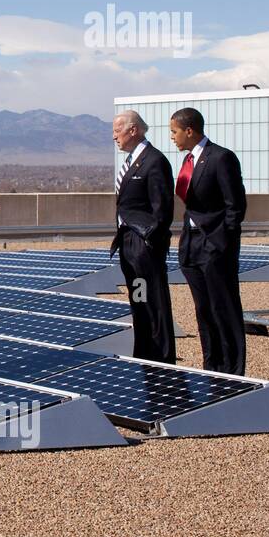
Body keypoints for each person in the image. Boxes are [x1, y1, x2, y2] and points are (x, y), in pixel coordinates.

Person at [170, 107, 248, 375]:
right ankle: (212, 367)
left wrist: (221, 243)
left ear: (189, 131)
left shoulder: (221, 158)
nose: (173, 138)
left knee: (223, 308)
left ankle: (233, 372)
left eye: (175, 132)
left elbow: (235, 206)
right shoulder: (188, 160)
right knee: (203, 310)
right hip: (192, 246)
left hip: (215, 247)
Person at [109, 110, 176, 363]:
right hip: (129, 246)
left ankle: (162, 359)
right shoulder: (133, 162)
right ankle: (145, 354)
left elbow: (162, 208)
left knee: (153, 303)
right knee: (139, 301)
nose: (115, 137)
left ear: (133, 130)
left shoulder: (154, 161)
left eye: (117, 131)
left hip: (144, 246)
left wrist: (149, 242)